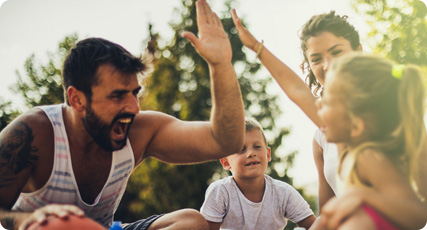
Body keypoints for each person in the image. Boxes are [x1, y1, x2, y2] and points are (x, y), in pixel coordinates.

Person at [0, 0, 245, 230]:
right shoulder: (33, 133)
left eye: (135, 93)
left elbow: (224, 142)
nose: (133, 107)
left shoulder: (140, 130)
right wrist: (29, 220)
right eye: (117, 96)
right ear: (77, 99)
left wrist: (220, 66)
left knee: (192, 222)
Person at [231, 10, 362, 211]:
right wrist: (255, 47)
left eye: (337, 52)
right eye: (316, 59)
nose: (328, 65)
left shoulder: (386, 106)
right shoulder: (322, 138)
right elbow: (327, 216)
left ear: (358, 52)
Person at [312, 53, 427, 230]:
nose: (318, 106)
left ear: (356, 126)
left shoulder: (367, 157)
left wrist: (363, 195)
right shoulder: (351, 156)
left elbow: (418, 214)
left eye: (327, 102)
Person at [200, 117, 316, 230]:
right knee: (190, 218)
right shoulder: (220, 191)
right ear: (225, 162)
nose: (251, 153)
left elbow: (315, 225)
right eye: (241, 149)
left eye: (257, 147)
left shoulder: (284, 193)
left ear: (268, 154)